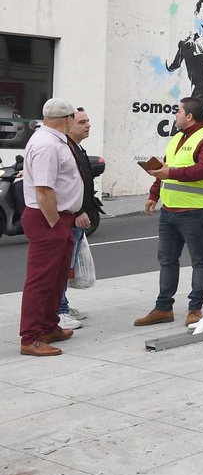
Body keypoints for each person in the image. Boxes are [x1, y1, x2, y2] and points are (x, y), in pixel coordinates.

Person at [136, 96, 203, 328]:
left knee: (199, 261)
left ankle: (195, 309)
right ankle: (163, 307)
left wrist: (170, 173)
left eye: (178, 111)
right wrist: (153, 195)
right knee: (167, 260)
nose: (174, 115)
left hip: (195, 211)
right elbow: (164, 168)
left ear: (189, 116)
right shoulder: (176, 137)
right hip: (169, 211)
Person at [18, 99, 85, 356]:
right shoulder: (47, 144)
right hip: (48, 218)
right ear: (68, 119)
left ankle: (48, 326)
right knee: (41, 281)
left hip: (58, 217)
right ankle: (31, 337)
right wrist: (55, 225)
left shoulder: (56, 140)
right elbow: (44, 189)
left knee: (57, 279)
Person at [57, 107, 102, 329]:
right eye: (82, 122)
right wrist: (78, 212)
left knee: (69, 264)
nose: (88, 125)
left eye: (88, 121)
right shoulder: (65, 149)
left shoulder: (77, 148)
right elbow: (66, 187)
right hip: (71, 216)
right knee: (63, 266)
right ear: (69, 124)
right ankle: (59, 310)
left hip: (78, 214)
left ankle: (62, 304)